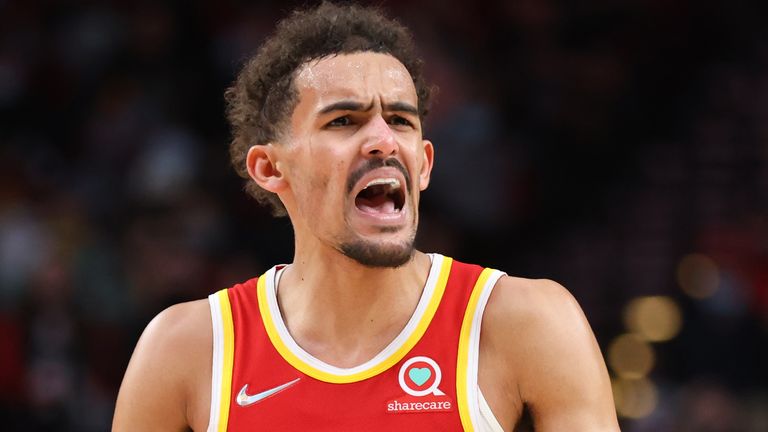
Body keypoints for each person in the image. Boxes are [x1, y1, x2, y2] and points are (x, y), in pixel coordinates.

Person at [113, 2, 620, 431]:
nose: (383, 140)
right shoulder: (187, 348)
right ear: (270, 167)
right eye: (343, 121)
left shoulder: (524, 323)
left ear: (423, 163)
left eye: (400, 119)